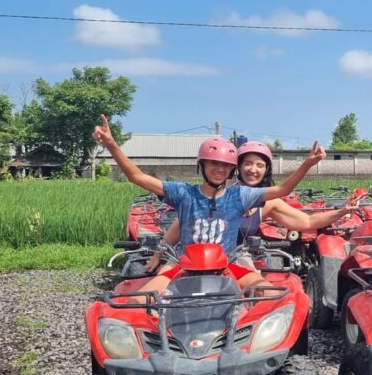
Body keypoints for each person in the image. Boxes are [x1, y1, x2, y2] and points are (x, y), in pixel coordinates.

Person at [92, 115, 325, 297]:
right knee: (142, 300)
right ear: (201, 165)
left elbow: (282, 190)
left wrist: (307, 164)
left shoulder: (240, 195)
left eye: (225, 165)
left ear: (232, 170)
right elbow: (137, 177)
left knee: (270, 295)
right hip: (184, 264)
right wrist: (112, 145)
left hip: (228, 264)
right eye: (213, 163)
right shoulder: (183, 192)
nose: (219, 169)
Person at [143, 140, 358, 275]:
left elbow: (308, 222)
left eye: (260, 165)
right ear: (236, 167)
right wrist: (158, 254)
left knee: (258, 299)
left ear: (266, 170)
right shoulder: (219, 193)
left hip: (234, 260)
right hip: (195, 258)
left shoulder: (268, 201)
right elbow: (183, 225)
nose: (253, 170)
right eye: (248, 163)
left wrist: (342, 211)